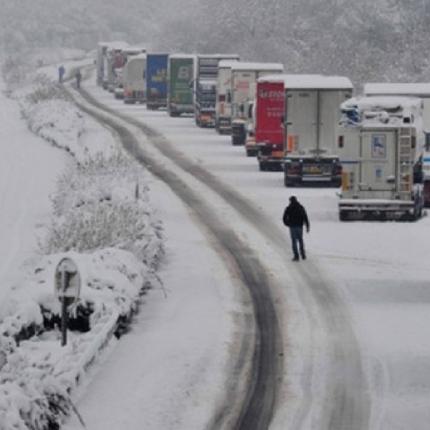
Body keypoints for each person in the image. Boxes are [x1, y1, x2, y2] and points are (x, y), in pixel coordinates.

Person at [283, 196, 310, 261]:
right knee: (300, 240)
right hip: (300, 226)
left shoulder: (289, 208)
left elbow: (284, 217)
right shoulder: (300, 207)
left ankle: (296, 256)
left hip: (292, 227)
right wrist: (307, 226)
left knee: (294, 241)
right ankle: (303, 254)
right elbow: (305, 216)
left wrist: (287, 224)